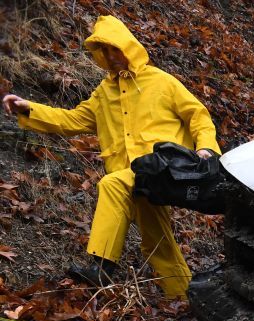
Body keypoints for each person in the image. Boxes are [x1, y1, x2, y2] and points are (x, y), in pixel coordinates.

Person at [2, 15, 220, 299]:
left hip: (164, 171)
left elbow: (198, 115)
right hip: (132, 179)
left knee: (111, 184)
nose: (110, 56)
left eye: (114, 48)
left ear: (128, 47)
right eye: (103, 51)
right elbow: (71, 120)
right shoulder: (103, 93)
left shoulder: (162, 82)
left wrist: (206, 150)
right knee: (158, 242)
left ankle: (102, 266)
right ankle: (186, 298)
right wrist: (28, 108)